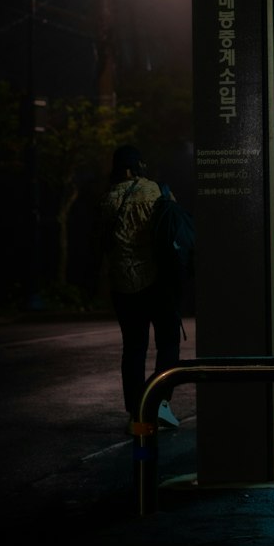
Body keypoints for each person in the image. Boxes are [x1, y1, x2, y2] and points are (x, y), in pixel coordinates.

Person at [102, 144, 183, 433]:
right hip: (158, 282)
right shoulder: (156, 191)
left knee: (134, 349)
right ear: (139, 166)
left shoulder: (108, 198)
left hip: (123, 285)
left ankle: (136, 412)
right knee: (168, 342)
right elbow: (173, 232)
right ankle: (160, 403)